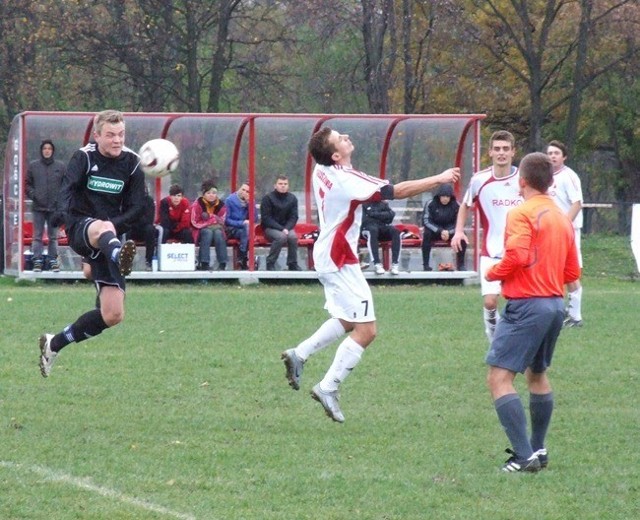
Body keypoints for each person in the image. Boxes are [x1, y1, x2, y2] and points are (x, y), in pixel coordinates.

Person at [281, 127, 460, 423]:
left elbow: (328, 157)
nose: (347, 136)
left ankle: (299, 354)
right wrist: (439, 179)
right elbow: (397, 191)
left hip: (329, 254)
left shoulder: (321, 169)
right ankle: (328, 387)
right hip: (341, 258)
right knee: (367, 331)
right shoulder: (346, 179)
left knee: (350, 320)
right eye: (341, 139)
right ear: (336, 155)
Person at [484, 152, 580, 472]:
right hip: (555, 305)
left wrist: (493, 272)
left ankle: (524, 456)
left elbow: (518, 257)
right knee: (537, 375)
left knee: (499, 377)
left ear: (521, 181)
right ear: (551, 182)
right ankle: (538, 450)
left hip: (527, 304)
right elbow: (572, 274)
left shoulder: (522, 213)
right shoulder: (562, 218)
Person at [39, 110, 143, 377]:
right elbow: (67, 189)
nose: (117, 140)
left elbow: (136, 208)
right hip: (80, 227)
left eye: (121, 134)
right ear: (96, 135)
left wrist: (114, 228)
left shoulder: (132, 163)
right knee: (103, 227)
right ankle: (118, 254)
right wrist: (61, 215)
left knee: (112, 314)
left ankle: (54, 343)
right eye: (110, 135)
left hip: (109, 236)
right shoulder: (83, 157)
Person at [451, 130, 522, 343]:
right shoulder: (480, 180)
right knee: (490, 302)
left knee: (519, 303)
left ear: (513, 152)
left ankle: (516, 342)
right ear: (490, 152)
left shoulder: (523, 179)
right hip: (491, 252)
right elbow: (465, 205)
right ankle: (494, 340)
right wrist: (459, 231)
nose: (502, 153)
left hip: (519, 254)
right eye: (497, 149)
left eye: (506, 149)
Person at [546, 140, 584, 328]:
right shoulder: (546, 177)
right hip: (552, 231)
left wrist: (565, 224)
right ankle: (561, 313)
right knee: (554, 270)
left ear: (564, 156)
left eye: (556, 153)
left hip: (567, 231)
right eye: (550, 153)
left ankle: (575, 316)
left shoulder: (568, 176)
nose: (552, 156)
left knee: (571, 272)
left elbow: (577, 203)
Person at [26, 139, 67, 272]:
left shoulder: (60, 167)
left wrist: (60, 202)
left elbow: (65, 185)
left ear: (53, 151)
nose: (47, 151)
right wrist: (34, 195)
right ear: (41, 151)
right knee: (37, 236)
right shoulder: (33, 166)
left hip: (54, 208)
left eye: (49, 148)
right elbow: (27, 184)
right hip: (38, 207)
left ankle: (53, 261)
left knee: (53, 237)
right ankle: (37, 261)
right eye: (45, 148)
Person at [260, 175, 301, 271]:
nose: (283, 186)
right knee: (281, 237)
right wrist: (282, 229)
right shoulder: (268, 198)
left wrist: (286, 228)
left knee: (293, 237)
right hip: (270, 228)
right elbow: (266, 218)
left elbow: (294, 217)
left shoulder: (292, 198)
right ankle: (270, 263)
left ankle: (292, 263)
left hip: (287, 228)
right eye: (280, 184)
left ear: (288, 186)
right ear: (275, 185)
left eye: (285, 184)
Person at [422, 183, 466, 271]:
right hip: (435, 231)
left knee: (462, 237)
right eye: (443, 196)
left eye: (447, 196)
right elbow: (426, 221)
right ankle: (426, 265)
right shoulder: (430, 204)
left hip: (451, 231)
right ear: (439, 196)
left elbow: (460, 223)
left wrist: (449, 232)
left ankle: (461, 265)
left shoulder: (457, 205)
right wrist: (440, 231)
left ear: (451, 197)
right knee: (426, 234)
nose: (445, 198)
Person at [191, 179, 227, 271]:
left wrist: (212, 219)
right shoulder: (197, 204)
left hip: (217, 229)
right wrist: (210, 221)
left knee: (219, 233)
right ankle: (204, 263)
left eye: (214, 193)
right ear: (203, 194)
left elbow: (222, 221)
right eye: (208, 193)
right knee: (208, 232)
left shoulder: (221, 205)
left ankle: (222, 263)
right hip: (200, 230)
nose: (211, 195)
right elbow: (194, 222)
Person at [361, 200, 401, 275]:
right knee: (373, 231)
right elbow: (365, 220)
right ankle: (377, 264)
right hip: (366, 229)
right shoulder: (363, 204)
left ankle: (395, 264)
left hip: (382, 227)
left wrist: (373, 214)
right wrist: (383, 215)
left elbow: (391, 216)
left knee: (395, 231)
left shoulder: (383, 203)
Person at [225, 182, 258, 270]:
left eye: (247, 191)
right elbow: (226, 220)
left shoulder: (251, 201)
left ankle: (242, 258)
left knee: (247, 231)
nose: (244, 192)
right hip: (232, 229)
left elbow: (254, 219)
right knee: (247, 231)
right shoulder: (230, 200)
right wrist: (241, 223)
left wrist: (249, 204)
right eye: (242, 189)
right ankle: (243, 257)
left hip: (244, 230)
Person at [127, 192, 157, 270]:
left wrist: (136, 217)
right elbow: (127, 217)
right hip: (133, 228)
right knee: (126, 229)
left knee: (150, 229)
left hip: (144, 229)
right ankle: (127, 260)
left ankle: (148, 261)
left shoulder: (149, 200)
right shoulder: (129, 199)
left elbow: (149, 219)